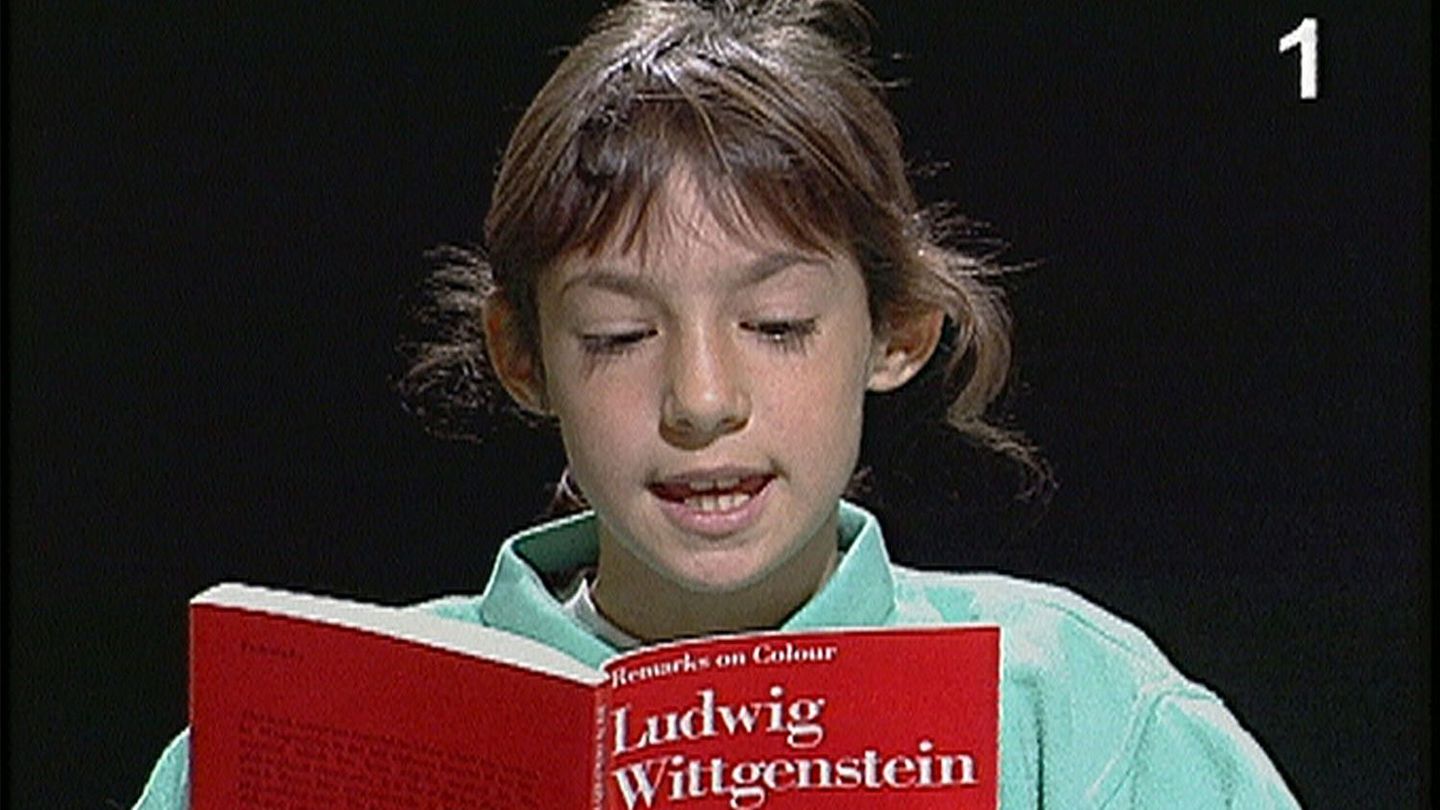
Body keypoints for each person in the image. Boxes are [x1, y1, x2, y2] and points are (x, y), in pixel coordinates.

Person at [134, 1, 1301, 806]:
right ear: (523, 357)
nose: (701, 399)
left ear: (896, 332)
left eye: (779, 326)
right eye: (620, 336)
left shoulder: (1076, 711)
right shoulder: (311, 728)